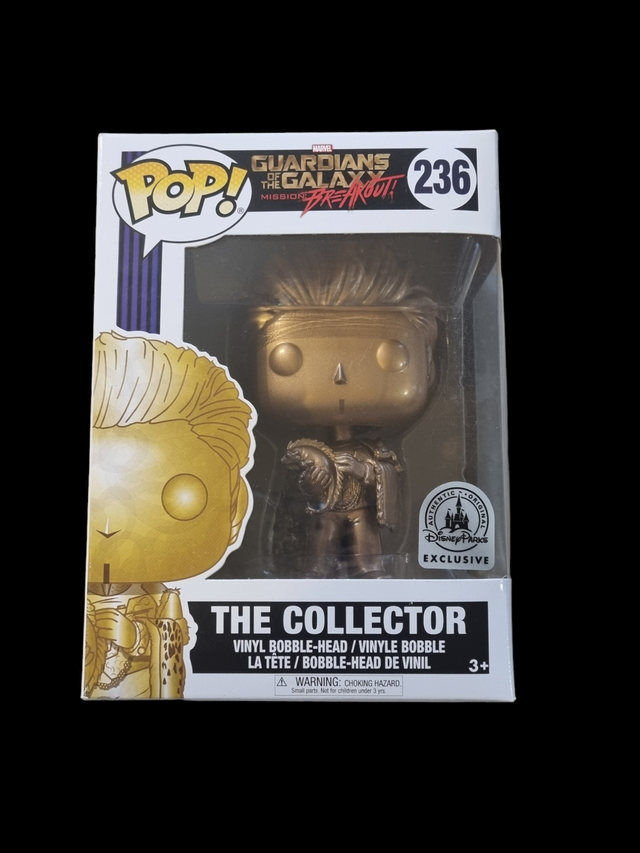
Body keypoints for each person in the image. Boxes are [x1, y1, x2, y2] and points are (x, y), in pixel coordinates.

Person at [251, 242, 438, 577]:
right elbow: (300, 488)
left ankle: (369, 571)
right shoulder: (308, 447)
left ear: (426, 363)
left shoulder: (372, 449)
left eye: (390, 357)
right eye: (289, 360)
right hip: (325, 511)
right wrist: (313, 481)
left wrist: (366, 470)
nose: (339, 376)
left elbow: (389, 471)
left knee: (367, 550)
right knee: (320, 544)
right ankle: (317, 572)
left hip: (360, 509)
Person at [84, 331, 253, 698]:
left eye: (175, 497)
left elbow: (172, 648)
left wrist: (135, 637)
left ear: (235, 505)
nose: (110, 527)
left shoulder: (161, 602)